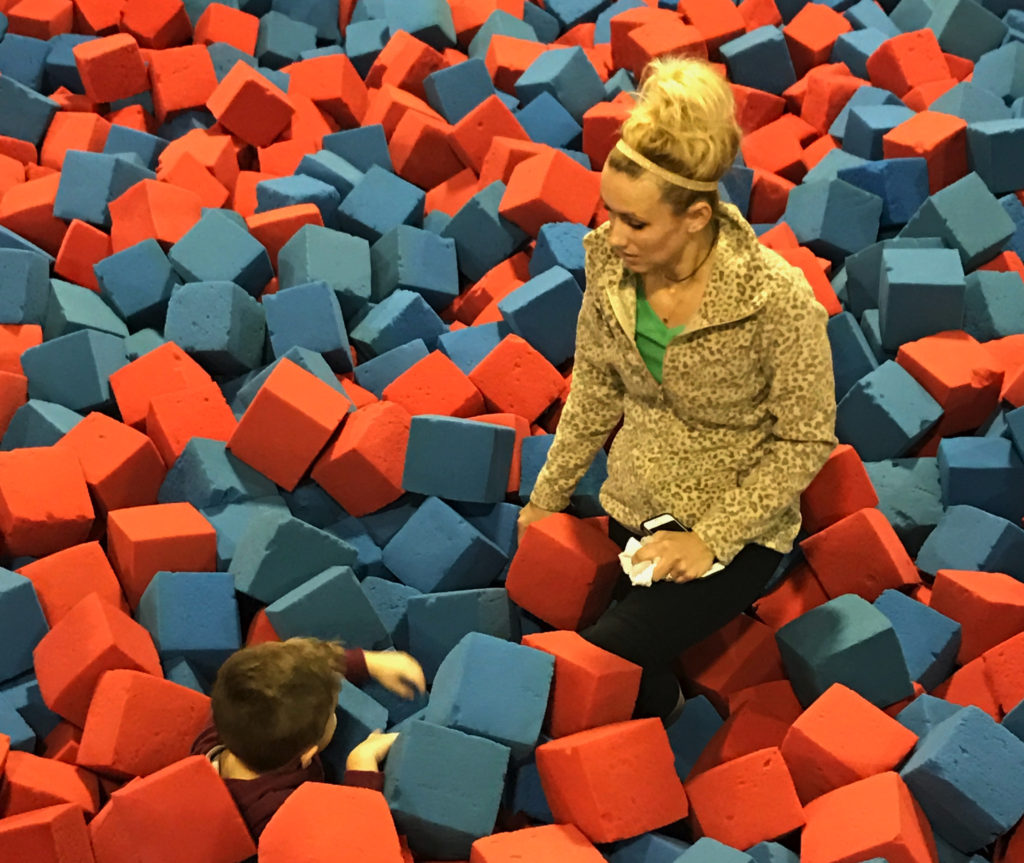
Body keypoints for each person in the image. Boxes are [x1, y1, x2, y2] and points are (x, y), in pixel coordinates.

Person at [517, 56, 838, 723]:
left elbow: (805, 438)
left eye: (636, 223)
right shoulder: (609, 268)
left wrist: (711, 539)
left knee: (593, 667)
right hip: (636, 503)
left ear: (695, 217)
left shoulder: (776, 301)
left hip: (737, 530)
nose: (614, 235)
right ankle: (666, 713)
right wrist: (544, 500)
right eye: (610, 213)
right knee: (567, 643)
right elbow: (595, 390)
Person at [192, 637, 426, 840]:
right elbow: (350, 835)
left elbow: (280, 674)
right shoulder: (276, 814)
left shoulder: (224, 722)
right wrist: (361, 764)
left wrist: (367, 662)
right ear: (308, 754)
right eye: (331, 714)